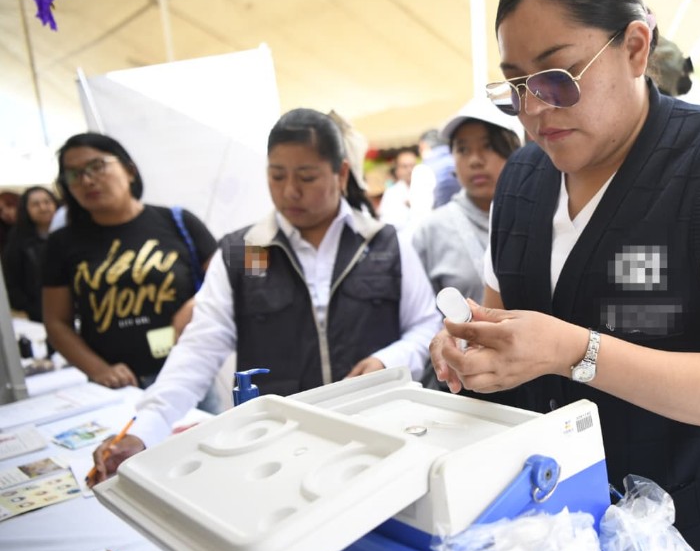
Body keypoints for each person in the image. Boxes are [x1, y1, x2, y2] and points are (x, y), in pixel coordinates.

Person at [429, 0, 700, 551]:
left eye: (558, 77)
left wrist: (576, 352)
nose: (535, 111)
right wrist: (472, 348)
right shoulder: (520, 180)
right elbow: (500, 325)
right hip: (561, 544)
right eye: (516, 86)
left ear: (635, 48)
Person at [88, 108, 441, 485]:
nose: (290, 191)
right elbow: (199, 347)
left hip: (379, 437)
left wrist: (390, 359)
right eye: (277, 176)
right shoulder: (245, 251)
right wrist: (146, 427)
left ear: (340, 174)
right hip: (276, 449)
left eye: (306, 177)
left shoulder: (384, 244)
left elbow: (425, 325)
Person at [42, 133, 217, 390]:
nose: (87, 180)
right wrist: (99, 370)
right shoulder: (61, 242)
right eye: (73, 174)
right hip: (116, 388)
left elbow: (239, 271)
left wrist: (196, 303)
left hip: (186, 375)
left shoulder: (178, 221)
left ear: (129, 170)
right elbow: (56, 322)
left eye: (96, 166)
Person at [413, 97, 523, 304]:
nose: (475, 160)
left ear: (515, 151)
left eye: (488, 146)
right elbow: (421, 317)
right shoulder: (431, 231)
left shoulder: (539, 217)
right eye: (462, 149)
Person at [2, 186, 59, 321]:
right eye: (35, 204)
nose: (43, 208)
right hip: (39, 315)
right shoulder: (17, 243)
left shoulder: (71, 236)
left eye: (47, 202)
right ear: (25, 210)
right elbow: (12, 285)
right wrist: (31, 309)